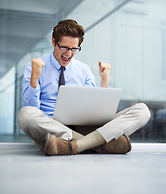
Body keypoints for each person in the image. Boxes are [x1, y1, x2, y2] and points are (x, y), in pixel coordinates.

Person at [17, 19, 151, 156]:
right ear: (53, 42)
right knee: (25, 114)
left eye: (74, 49)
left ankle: (73, 145)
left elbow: (96, 112)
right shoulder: (35, 66)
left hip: (85, 127)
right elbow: (32, 108)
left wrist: (104, 81)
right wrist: (35, 78)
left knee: (142, 110)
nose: (68, 54)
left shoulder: (84, 70)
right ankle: (98, 144)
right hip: (53, 127)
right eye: (64, 47)